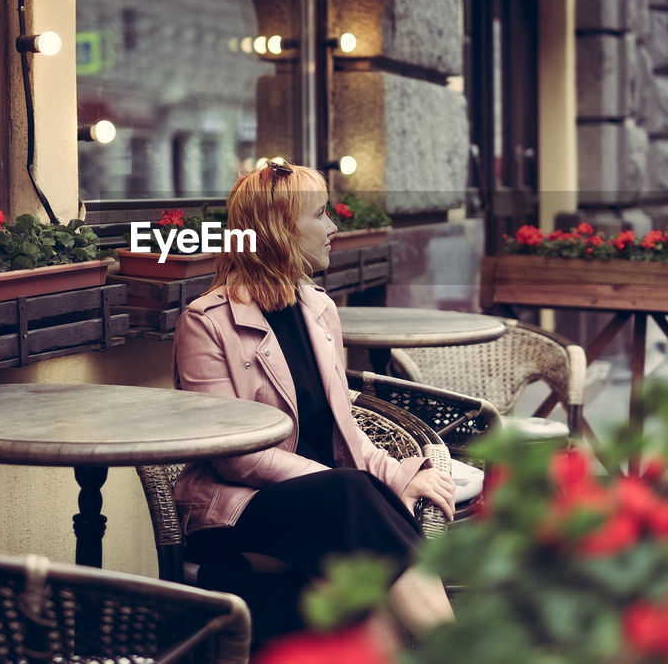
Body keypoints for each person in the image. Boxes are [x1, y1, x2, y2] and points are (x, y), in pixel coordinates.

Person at [172, 162, 456, 645]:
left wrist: (397, 474)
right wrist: (350, 483)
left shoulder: (319, 308)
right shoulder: (206, 323)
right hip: (242, 513)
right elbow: (234, 456)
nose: (333, 227)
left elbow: (342, 427)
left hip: (335, 508)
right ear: (280, 229)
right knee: (349, 500)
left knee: (363, 578)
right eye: (320, 214)